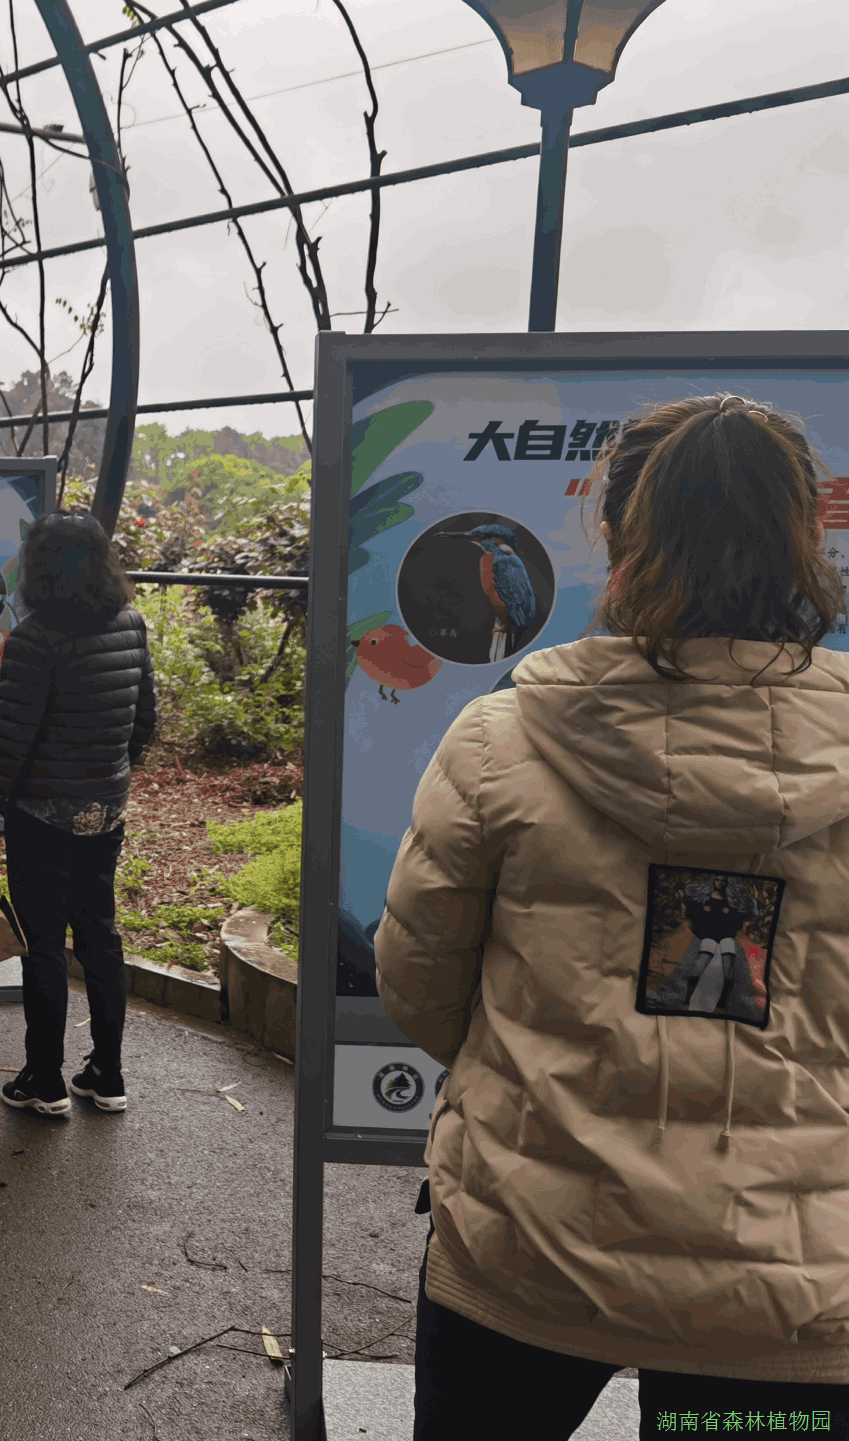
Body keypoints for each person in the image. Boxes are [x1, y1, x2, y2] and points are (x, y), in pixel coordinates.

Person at [378, 392, 849, 1438]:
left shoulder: (502, 738)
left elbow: (418, 990)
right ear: (803, 543)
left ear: (625, 541)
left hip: (526, 1256)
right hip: (790, 1290)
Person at [0, 507, 158, 1116]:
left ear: (40, 569)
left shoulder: (35, 640)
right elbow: (144, 720)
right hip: (105, 811)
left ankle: (43, 1080)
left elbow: (10, 746)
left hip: (42, 817)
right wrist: (108, 777)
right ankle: (107, 1075)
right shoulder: (131, 623)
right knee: (100, 934)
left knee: (42, 944)